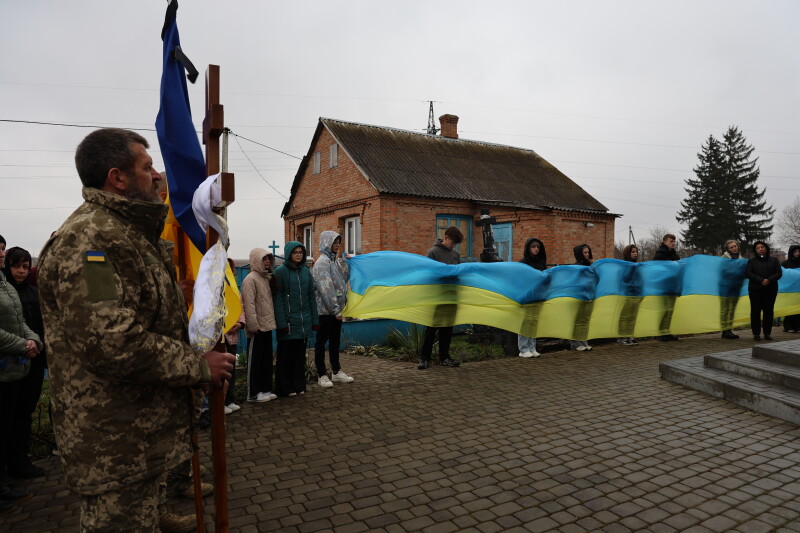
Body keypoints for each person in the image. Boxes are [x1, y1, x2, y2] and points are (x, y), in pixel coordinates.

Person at [36, 128, 235, 533]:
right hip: (113, 441)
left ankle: (156, 517)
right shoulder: (90, 239)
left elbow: (147, 316)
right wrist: (198, 367)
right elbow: (112, 342)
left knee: (144, 513)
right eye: (147, 167)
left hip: (138, 432)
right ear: (118, 177)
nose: (157, 176)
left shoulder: (125, 232)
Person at [0, 235, 41, 516]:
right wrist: (22, 344)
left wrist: (34, 341)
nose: (21, 270)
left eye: (25, 266)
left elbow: (26, 323)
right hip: (8, 365)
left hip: (25, 363)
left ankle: (14, 468)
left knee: (18, 416)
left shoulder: (14, 289)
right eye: (17, 265)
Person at [273, 241, 318, 396]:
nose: (299, 255)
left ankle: (299, 385)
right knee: (286, 357)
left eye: (301, 252)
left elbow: (311, 297)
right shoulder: (280, 272)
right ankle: (284, 387)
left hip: (303, 322)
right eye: (295, 252)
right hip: (288, 323)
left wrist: (314, 321)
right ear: (289, 254)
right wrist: (282, 323)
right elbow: (277, 300)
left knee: (299, 357)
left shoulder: (306, 271)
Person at [312, 231, 355, 387]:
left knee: (335, 342)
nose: (337, 245)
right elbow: (326, 289)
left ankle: (336, 372)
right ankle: (321, 374)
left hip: (336, 311)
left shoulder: (334, 261)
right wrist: (336, 310)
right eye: (335, 242)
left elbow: (342, 281)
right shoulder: (322, 263)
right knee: (321, 342)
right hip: (325, 311)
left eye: (338, 242)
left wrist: (345, 262)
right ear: (327, 243)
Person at [418, 227, 463, 370]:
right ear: (446, 237)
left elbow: (458, 274)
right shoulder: (433, 252)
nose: (454, 245)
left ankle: (445, 357)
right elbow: (427, 274)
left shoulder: (456, 254)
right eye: (453, 242)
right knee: (430, 329)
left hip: (451, 296)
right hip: (436, 296)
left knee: (447, 328)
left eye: (456, 243)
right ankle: (424, 359)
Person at [241, 248, 277, 403]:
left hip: (267, 325)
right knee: (255, 361)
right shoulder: (250, 279)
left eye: (268, 259)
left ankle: (265, 389)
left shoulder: (266, 278)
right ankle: (254, 394)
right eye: (264, 259)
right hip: (257, 328)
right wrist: (253, 325)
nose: (267, 262)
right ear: (256, 260)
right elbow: (249, 304)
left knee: (265, 360)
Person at [746, 241, 782, 341]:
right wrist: (760, 280)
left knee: (768, 312)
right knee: (755, 312)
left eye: (762, 247)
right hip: (755, 290)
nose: (760, 249)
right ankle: (756, 334)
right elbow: (748, 273)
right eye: (758, 248)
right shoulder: (751, 261)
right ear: (755, 250)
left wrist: (769, 280)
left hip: (770, 290)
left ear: (766, 248)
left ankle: (767, 333)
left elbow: (779, 273)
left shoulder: (774, 260)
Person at [518, 238, 546, 358]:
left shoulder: (541, 262)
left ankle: (532, 347)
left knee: (534, 321)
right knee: (526, 321)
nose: (536, 249)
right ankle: (523, 349)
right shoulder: (523, 262)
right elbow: (520, 279)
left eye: (538, 247)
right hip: (527, 296)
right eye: (533, 247)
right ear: (528, 248)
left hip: (538, 296)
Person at [223, 258, 244, 414]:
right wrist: (226, 326)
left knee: (232, 370)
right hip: (222, 336)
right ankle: (220, 402)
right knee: (222, 371)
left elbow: (240, 308)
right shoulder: (217, 288)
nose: (234, 271)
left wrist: (240, 324)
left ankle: (230, 399)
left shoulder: (234, 289)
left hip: (233, 334)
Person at [652, 233, 680, 341]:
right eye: (671, 241)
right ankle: (660, 333)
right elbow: (655, 270)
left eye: (674, 241)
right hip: (662, 286)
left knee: (670, 310)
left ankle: (666, 331)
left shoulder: (675, 255)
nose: (673, 243)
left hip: (673, 286)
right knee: (664, 309)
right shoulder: (659, 255)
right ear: (664, 242)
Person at [570, 244, 593, 351]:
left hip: (588, 297)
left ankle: (584, 342)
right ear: (580, 254)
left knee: (584, 321)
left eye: (588, 252)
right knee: (577, 320)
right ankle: (575, 343)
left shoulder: (590, 266)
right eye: (585, 252)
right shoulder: (576, 267)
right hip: (579, 297)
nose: (587, 254)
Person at [617, 244, 640, 346]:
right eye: (633, 252)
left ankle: (630, 335)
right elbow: (622, 279)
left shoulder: (638, 266)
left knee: (632, 316)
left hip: (636, 294)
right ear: (628, 253)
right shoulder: (623, 266)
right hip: (626, 294)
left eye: (636, 252)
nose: (635, 254)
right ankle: (622, 337)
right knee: (625, 315)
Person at [720, 240, 742, 339]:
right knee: (725, 309)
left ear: (738, 246)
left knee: (732, 309)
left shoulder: (741, 259)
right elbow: (720, 271)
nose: (734, 248)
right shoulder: (723, 258)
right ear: (728, 249)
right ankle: (725, 330)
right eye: (731, 247)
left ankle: (729, 329)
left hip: (736, 287)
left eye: (735, 246)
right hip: (725, 286)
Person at [782, 245, 800, 333]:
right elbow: (781, 275)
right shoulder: (786, 263)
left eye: (799, 251)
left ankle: (798, 326)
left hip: (799, 291)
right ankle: (788, 327)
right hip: (789, 291)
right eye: (795, 251)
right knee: (789, 309)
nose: (797, 253)